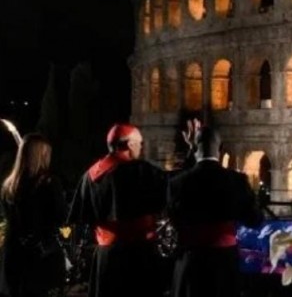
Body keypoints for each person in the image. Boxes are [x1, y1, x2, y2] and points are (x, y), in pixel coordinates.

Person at [67, 123, 167, 297]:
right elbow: (176, 188)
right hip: (139, 257)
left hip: (106, 258)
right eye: (139, 143)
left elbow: (81, 217)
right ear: (129, 145)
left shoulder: (90, 175)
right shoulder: (143, 171)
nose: (142, 147)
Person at [167, 125, 263, 297]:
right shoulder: (237, 181)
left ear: (194, 148)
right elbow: (255, 219)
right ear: (221, 149)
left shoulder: (177, 183)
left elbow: (172, 217)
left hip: (191, 260)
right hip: (224, 262)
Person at [0, 134, 66, 297]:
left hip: (13, 254)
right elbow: (61, 217)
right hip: (39, 257)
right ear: (43, 155)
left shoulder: (9, 186)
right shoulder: (49, 184)